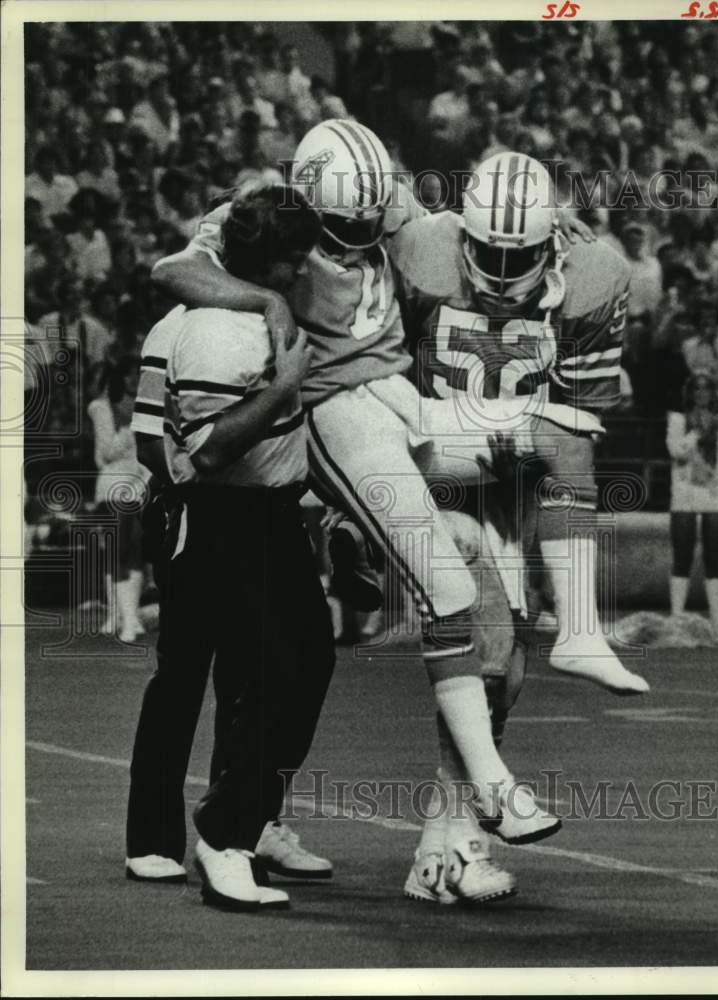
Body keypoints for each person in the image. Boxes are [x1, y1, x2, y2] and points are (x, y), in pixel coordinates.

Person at [152, 120, 569, 905]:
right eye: (337, 230)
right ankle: (490, 787)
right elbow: (174, 267)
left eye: (365, 226)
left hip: (394, 396)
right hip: (334, 409)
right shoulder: (260, 212)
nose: (354, 241)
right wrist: (268, 304)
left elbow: (447, 230)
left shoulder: (379, 195)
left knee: (534, 451)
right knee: (439, 593)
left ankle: (429, 816)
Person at [390, 151, 649, 901]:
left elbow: (584, 413)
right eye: (489, 252)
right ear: (460, 233)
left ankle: (444, 841)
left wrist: (520, 445)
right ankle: (462, 834)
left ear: (553, 242)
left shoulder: (594, 276)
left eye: (521, 255)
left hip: (509, 473)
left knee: (501, 664)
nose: (502, 272)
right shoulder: (417, 246)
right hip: (427, 452)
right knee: (488, 636)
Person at [130, 183, 335, 910]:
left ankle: (244, 821)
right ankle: (181, 834)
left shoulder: (231, 295)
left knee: (260, 674)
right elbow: (196, 451)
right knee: (195, 673)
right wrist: (282, 390)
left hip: (257, 511)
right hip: (213, 513)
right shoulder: (215, 329)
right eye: (296, 259)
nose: (307, 270)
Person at [666, 373, 718, 637]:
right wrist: (698, 431)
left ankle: (717, 622)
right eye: (696, 389)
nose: (701, 394)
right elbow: (676, 451)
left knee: (713, 557)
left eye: (707, 389)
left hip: (714, 494)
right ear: (690, 393)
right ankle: (676, 619)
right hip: (685, 493)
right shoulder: (677, 420)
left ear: (713, 393)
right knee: (682, 556)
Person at [87, 356, 148, 642]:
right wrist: (128, 428)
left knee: (134, 549)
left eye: (139, 374)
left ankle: (127, 615)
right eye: (131, 374)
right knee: (119, 550)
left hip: (139, 485)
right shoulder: (101, 407)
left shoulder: (145, 405)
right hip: (113, 484)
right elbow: (106, 453)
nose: (135, 379)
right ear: (120, 377)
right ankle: (122, 617)